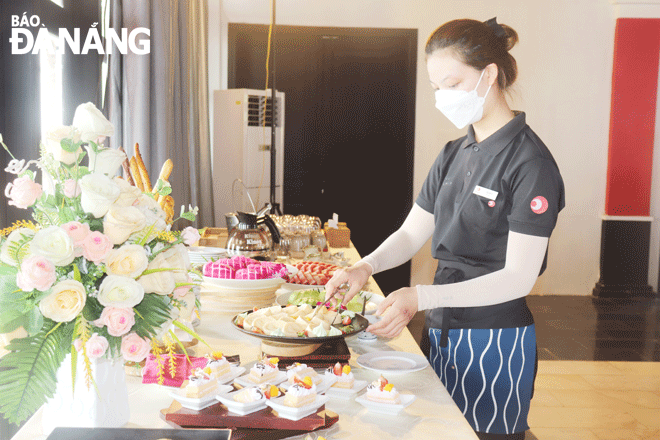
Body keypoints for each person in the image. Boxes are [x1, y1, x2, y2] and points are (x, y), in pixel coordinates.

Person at [325, 17, 565, 440]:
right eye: (436, 88)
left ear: (488, 74)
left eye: (452, 84)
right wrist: (365, 267)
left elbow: (519, 277)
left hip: (495, 337)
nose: (443, 98)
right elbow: (411, 233)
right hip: (441, 328)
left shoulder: (530, 164)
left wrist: (420, 295)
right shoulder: (455, 152)